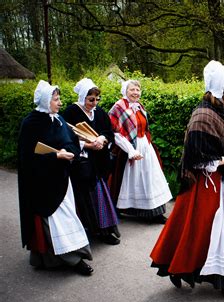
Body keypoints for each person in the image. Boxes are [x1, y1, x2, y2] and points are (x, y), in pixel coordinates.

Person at [149, 61, 224, 298]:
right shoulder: (203, 116)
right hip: (212, 184)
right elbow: (198, 160)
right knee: (215, 232)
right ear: (220, 89)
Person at [17, 80, 93, 276]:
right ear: (45, 101)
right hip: (43, 183)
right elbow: (27, 158)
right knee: (54, 220)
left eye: (59, 99)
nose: (59, 103)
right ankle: (70, 259)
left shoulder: (58, 120)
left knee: (67, 217)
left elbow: (72, 141)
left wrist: (68, 152)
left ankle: (69, 254)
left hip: (62, 178)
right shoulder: (31, 123)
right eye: (56, 99)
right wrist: (55, 156)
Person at [62, 78, 120, 245]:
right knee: (85, 198)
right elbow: (66, 137)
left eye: (97, 99)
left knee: (100, 197)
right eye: (91, 99)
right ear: (82, 97)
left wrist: (102, 139)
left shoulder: (100, 112)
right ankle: (89, 231)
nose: (94, 103)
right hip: (82, 165)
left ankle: (104, 230)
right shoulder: (71, 112)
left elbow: (108, 131)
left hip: (99, 163)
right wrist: (86, 144)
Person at [108, 80, 172, 223]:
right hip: (127, 149)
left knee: (151, 179)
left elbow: (144, 128)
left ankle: (155, 213)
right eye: (132, 89)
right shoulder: (118, 107)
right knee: (132, 181)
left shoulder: (139, 106)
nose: (136, 92)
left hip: (144, 146)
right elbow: (116, 133)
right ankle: (131, 210)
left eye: (138, 89)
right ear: (125, 91)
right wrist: (130, 150)